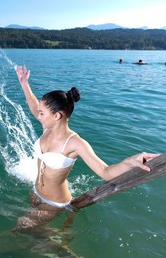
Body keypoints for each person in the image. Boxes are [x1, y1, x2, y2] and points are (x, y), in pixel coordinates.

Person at [14, 65, 159, 232]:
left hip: (55, 202)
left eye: (42, 113)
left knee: (20, 228)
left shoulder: (75, 143)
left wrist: (130, 162)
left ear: (57, 116)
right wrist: (25, 84)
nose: (37, 115)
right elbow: (34, 106)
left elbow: (105, 171)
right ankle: (55, 242)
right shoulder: (48, 127)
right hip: (36, 192)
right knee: (33, 232)